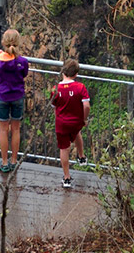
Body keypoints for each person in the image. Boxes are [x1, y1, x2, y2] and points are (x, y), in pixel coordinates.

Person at [0, 29, 29, 173]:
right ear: (18, 43)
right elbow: (24, 74)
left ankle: (5, 163)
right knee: (16, 129)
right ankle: (14, 161)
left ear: (3, 42)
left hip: (3, 97)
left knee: (3, 129)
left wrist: (0, 55)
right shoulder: (23, 61)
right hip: (18, 96)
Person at [50, 58, 90, 189]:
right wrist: (84, 118)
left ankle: (67, 178)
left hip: (62, 123)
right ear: (76, 74)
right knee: (77, 132)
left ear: (63, 72)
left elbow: (54, 106)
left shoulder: (55, 89)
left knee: (64, 149)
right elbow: (86, 106)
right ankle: (82, 157)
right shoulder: (80, 87)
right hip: (76, 122)